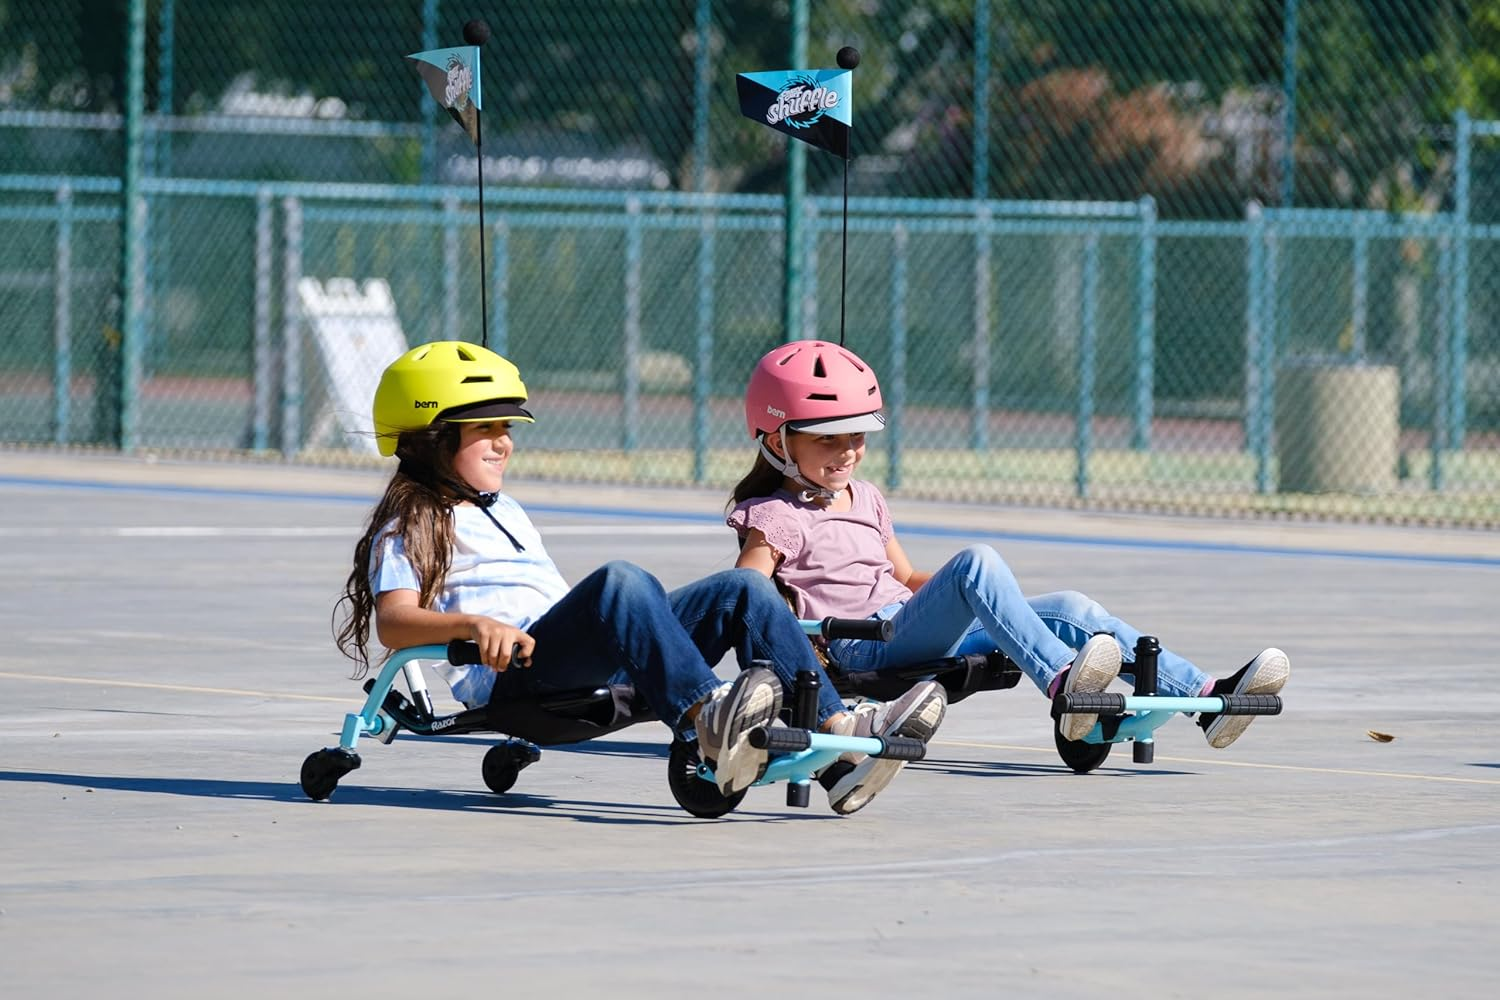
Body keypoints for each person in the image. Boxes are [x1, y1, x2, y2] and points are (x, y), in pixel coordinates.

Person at [334, 340, 946, 815]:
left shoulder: (505, 508)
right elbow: (394, 622)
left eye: (507, 429)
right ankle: (709, 718)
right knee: (621, 582)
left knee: (743, 588)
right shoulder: (409, 524)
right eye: (485, 430)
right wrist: (473, 625)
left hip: (582, 663)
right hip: (518, 681)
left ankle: (840, 738)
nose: (504, 444)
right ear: (430, 440)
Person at [726, 339, 1289, 749]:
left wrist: (988, 600)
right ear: (778, 439)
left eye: (858, 436)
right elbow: (749, 599)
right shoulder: (774, 516)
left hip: (905, 621)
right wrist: (804, 650)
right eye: (828, 439)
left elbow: (905, 578)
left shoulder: (865, 497)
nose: (848, 451)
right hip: (862, 644)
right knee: (978, 562)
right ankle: (1063, 683)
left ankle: (1205, 697)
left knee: (1067, 607)